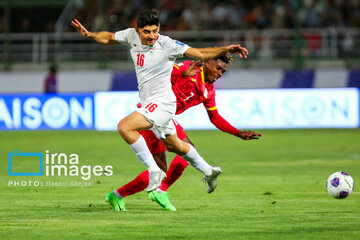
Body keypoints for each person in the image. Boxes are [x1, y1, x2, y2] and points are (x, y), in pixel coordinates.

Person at [71, 9, 249, 201]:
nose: (152, 36)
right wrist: (89, 34)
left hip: (162, 104)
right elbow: (108, 37)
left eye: (155, 31)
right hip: (152, 104)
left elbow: (201, 53)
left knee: (125, 127)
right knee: (179, 147)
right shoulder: (131, 36)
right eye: (147, 32)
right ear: (137, 30)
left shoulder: (167, 44)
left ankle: (153, 172)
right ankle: (209, 171)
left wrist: (225, 49)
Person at [107, 54, 262, 211]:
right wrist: (182, 72)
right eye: (218, 68)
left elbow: (214, 117)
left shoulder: (209, 91)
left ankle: (125, 194)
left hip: (165, 118)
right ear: (207, 62)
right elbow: (164, 72)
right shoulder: (190, 68)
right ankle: (158, 190)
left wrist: (238, 133)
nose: (220, 73)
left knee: (172, 161)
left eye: (223, 71)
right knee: (180, 154)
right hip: (151, 113)